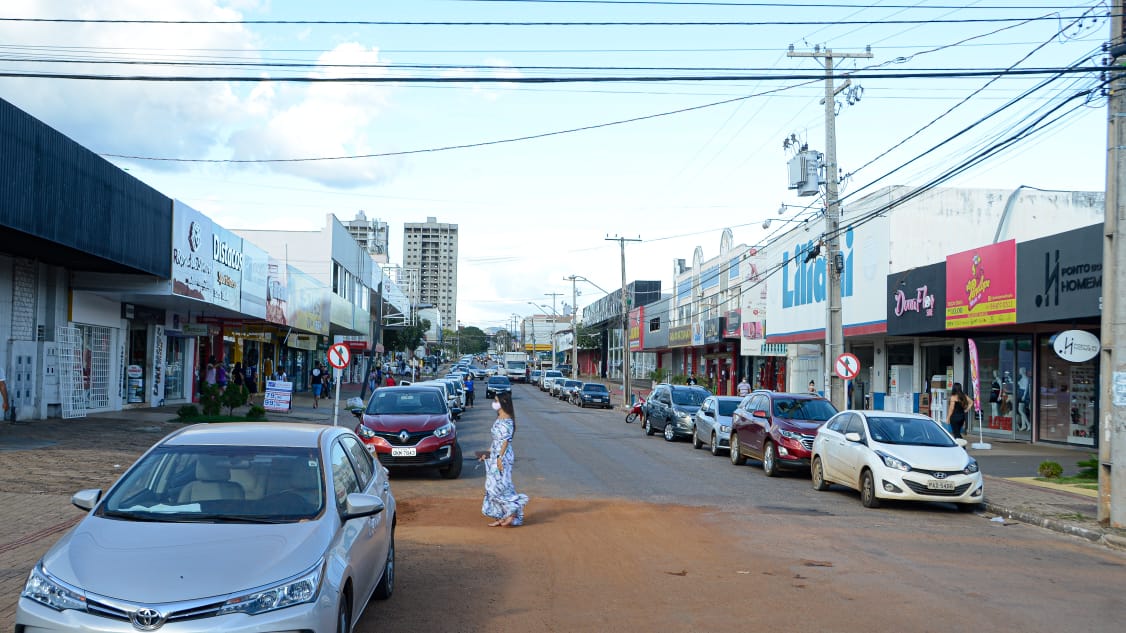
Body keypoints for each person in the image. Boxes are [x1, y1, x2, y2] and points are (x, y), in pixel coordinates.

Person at [479, 391, 529, 527]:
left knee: (499, 486)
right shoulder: (499, 417)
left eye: (496, 401)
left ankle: (512, 512)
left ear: (504, 403)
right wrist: (486, 453)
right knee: (494, 486)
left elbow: (505, 442)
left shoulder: (507, 421)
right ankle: (502, 515)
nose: (494, 404)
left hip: (503, 456)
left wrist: (500, 458)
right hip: (495, 455)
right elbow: (496, 441)